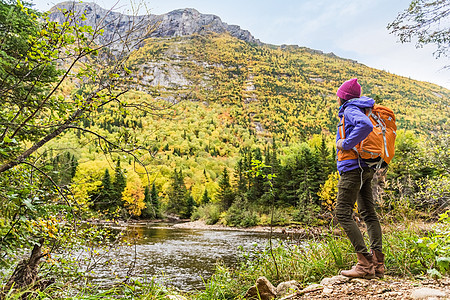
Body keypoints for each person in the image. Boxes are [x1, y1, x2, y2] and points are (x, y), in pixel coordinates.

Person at [335, 78, 385, 279]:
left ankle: (364, 264)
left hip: (353, 168)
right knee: (368, 213)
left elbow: (364, 126)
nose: (337, 100)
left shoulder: (350, 109)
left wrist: (345, 144)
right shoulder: (365, 109)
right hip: (366, 167)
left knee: (342, 212)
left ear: (343, 97)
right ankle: (378, 264)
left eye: (338, 96)